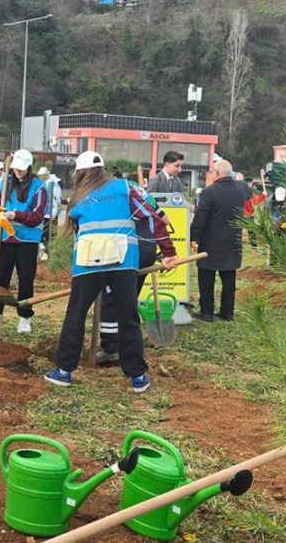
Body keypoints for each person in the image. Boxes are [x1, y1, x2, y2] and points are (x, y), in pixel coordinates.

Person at [45, 151, 177, 393]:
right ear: (102, 169)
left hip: (87, 263)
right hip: (123, 261)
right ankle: (138, 377)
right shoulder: (126, 188)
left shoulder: (78, 198)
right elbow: (154, 217)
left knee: (75, 315)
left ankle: (63, 372)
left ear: (80, 173)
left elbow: (76, 230)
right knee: (127, 315)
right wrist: (168, 251)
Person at [96, 175, 166, 364]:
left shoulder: (111, 194)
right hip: (147, 251)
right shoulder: (142, 192)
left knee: (110, 299)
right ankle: (128, 345)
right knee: (129, 298)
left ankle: (111, 348)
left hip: (126, 250)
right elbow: (164, 220)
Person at [0, 149, 47, 334]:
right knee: (0, 280)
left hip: (27, 241)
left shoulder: (39, 187)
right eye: (15, 168)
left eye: (21, 169)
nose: (18, 172)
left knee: (26, 279)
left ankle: (25, 318)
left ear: (29, 167)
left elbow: (37, 216)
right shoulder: (5, 183)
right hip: (5, 238)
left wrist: (16, 215)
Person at [190, 160, 244, 322]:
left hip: (211, 242)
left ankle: (207, 311)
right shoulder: (240, 191)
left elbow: (200, 218)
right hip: (234, 240)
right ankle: (228, 312)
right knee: (229, 278)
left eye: (212, 172)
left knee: (206, 277)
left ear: (218, 174)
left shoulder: (209, 192)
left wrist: (193, 237)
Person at [39, 169, 63, 261]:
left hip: (51, 215)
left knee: (50, 235)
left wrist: (54, 213)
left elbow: (57, 200)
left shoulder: (54, 185)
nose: (40, 177)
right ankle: (43, 253)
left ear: (46, 175)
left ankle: (50, 255)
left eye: (41, 176)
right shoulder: (44, 183)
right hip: (43, 214)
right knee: (42, 233)